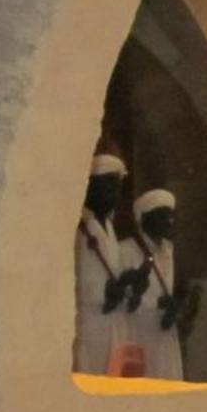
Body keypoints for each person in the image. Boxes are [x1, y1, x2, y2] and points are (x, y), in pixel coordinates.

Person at [73, 153, 134, 375]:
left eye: (117, 189)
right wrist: (103, 292)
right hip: (89, 321)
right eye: (109, 187)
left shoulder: (108, 226)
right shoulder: (78, 226)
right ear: (90, 187)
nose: (114, 195)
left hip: (113, 320)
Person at [120, 187, 188, 381]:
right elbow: (124, 299)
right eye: (162, 216)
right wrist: (157, 304)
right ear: (144, 218)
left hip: (166, 334)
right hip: (139, 333)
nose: (169, 221)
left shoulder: (169, 251)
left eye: (171, 216)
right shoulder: (126, 250)